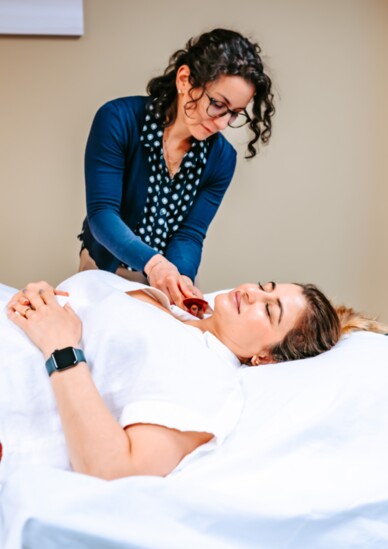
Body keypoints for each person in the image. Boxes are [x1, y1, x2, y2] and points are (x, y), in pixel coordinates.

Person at [2, 270, 386, 482]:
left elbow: (116, 469)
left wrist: (61, 348)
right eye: (265, 286)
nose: (252, 293)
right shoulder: (178, 310)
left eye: (270, 311)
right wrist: (41, 297)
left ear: (265, 359)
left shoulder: (205, 378)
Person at [78, 28, 275, 312]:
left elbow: (189, 234)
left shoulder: (221, 159)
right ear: (185, 80)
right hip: (104, 266)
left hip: (163, 282)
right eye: (218, 104)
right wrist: (155, 263)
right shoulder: (118, 120)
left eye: (234, 113)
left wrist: (180, 280)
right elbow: (102, 214)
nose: (222, 123)